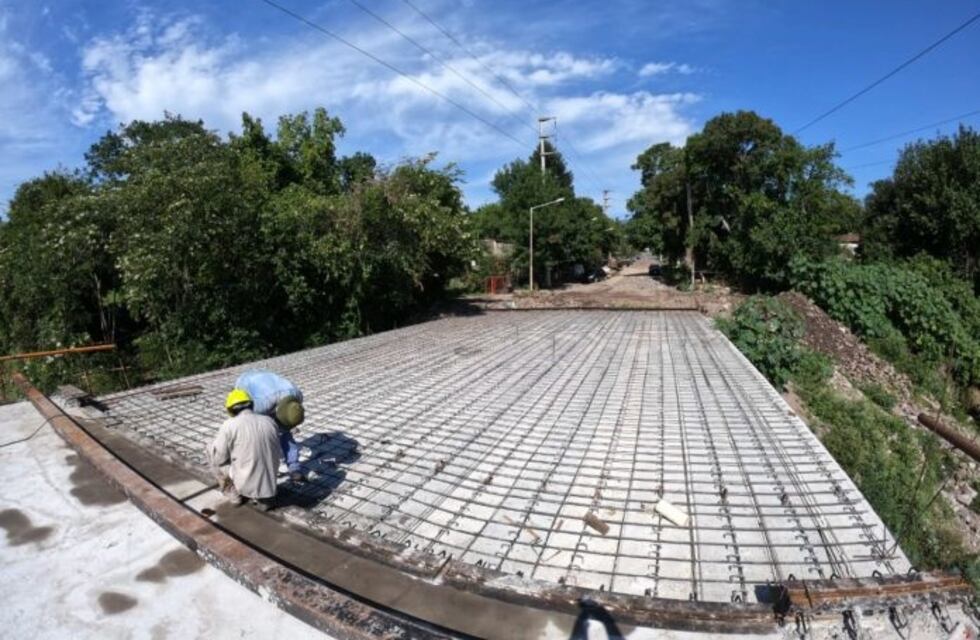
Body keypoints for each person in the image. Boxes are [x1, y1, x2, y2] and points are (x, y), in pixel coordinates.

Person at [208, 388, 282, 511]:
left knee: (211, 449)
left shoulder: (229, 425)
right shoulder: (270, 421)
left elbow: (219, 458)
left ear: (231, 409)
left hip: (245, 483)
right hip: (269, 484)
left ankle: (234, 494)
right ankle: (265, 498)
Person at [234, 369, 307, 482]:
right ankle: (262, 469)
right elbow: (247, 417)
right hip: (245, 382)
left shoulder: (297, 395)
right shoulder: (261, 405)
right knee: (261, 437)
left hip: (267, 382)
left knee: (285, 434)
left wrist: (287, 425)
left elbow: (292, 415)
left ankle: (294, 467)